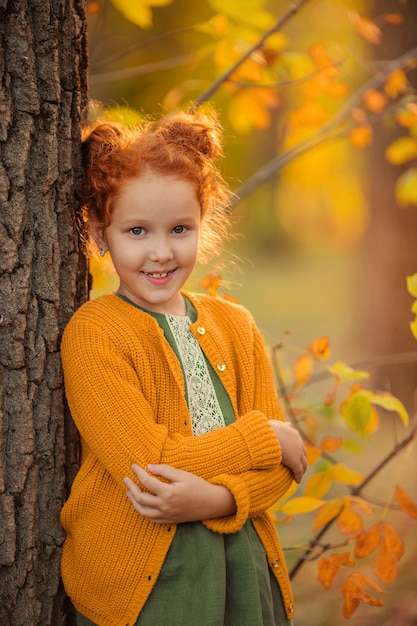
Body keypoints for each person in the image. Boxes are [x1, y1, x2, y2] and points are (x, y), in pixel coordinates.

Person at [60, 108, 307, 626]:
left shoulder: (235, 325)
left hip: (240, 568)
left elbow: (284, 472)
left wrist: (215, 499)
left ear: (203, 222)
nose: (161, 252)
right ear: (101, 234)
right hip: (146, 586)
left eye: (179, 228)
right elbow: (148, 464)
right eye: (136, 231)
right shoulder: (95, 332)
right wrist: (266, 438)